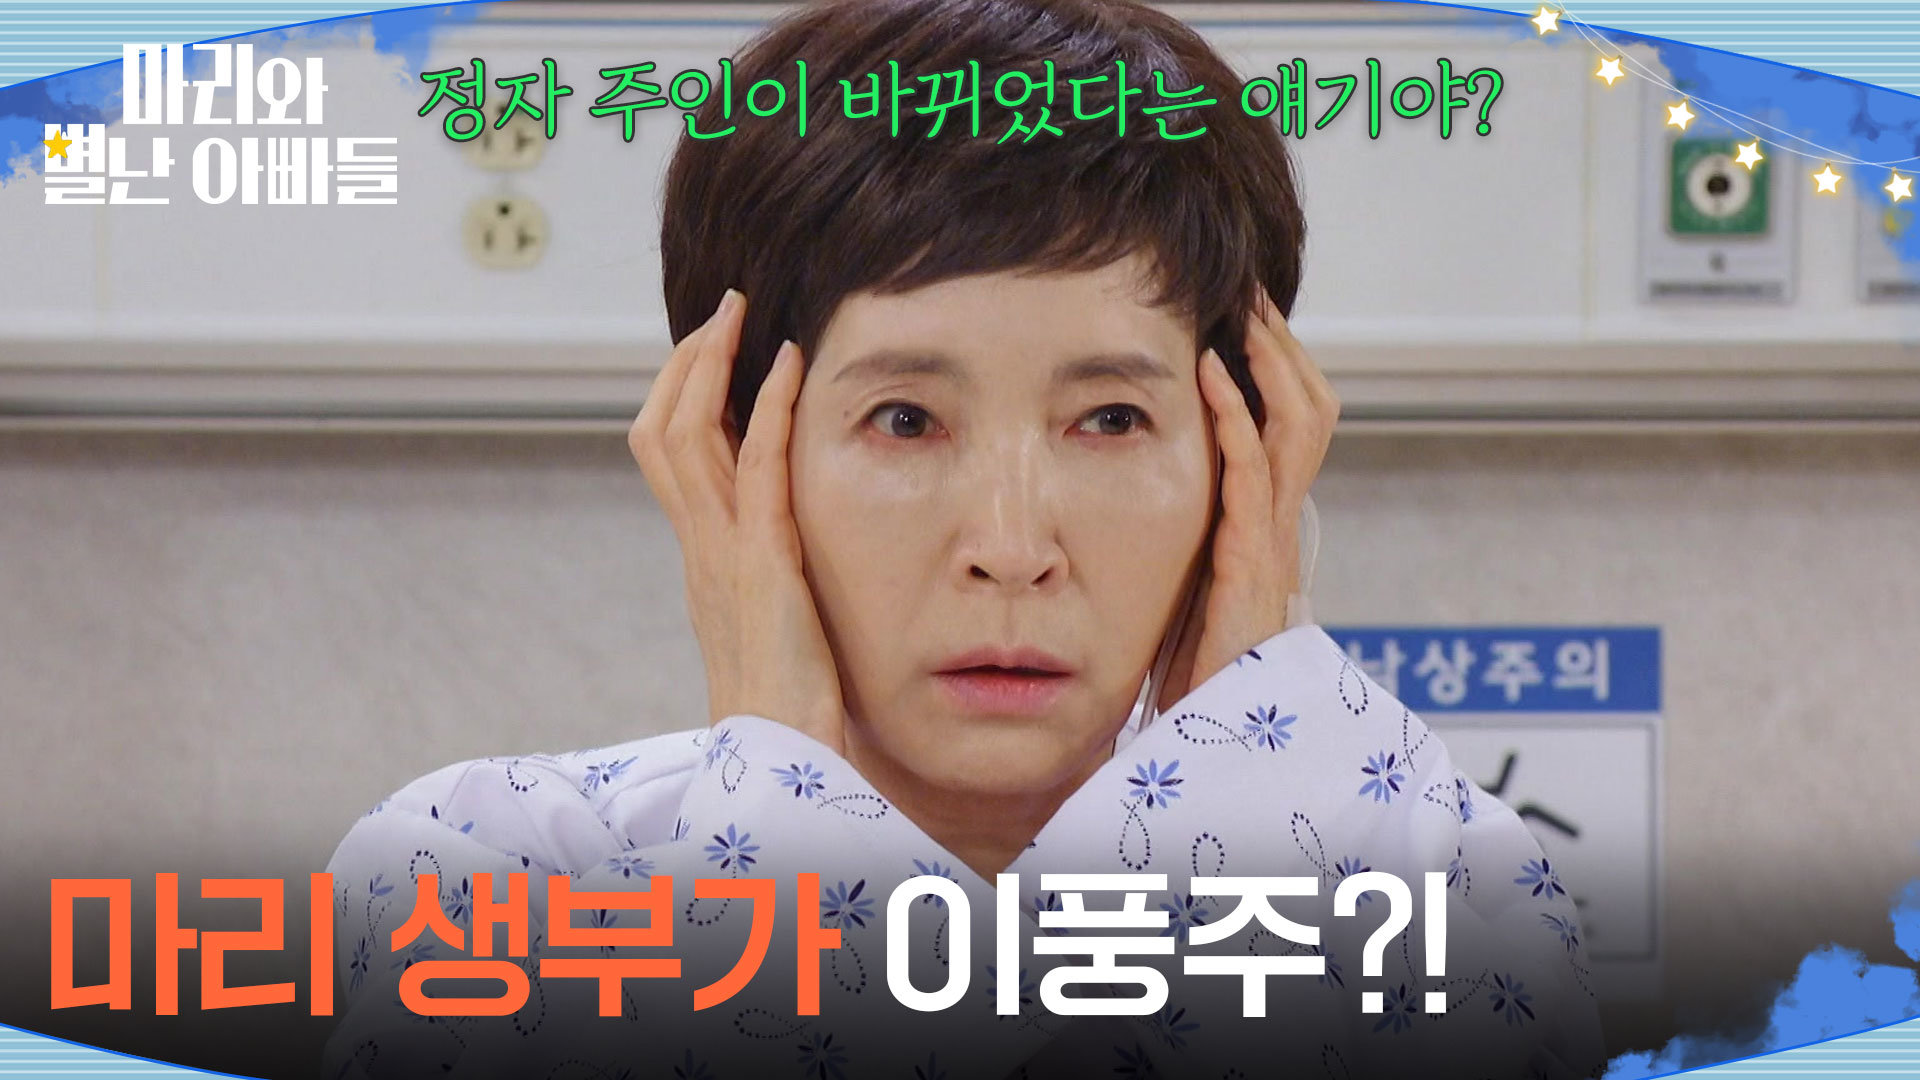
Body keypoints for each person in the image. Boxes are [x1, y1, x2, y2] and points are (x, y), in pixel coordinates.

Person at [321, 0, 1607, 1076]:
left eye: (1111, 419)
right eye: (904, 420)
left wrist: (1243, 769)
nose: (1011, 544)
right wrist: (773, 799)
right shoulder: (480, 870)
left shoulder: (1444, 883)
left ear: (1245, 455)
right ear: (730, 447)